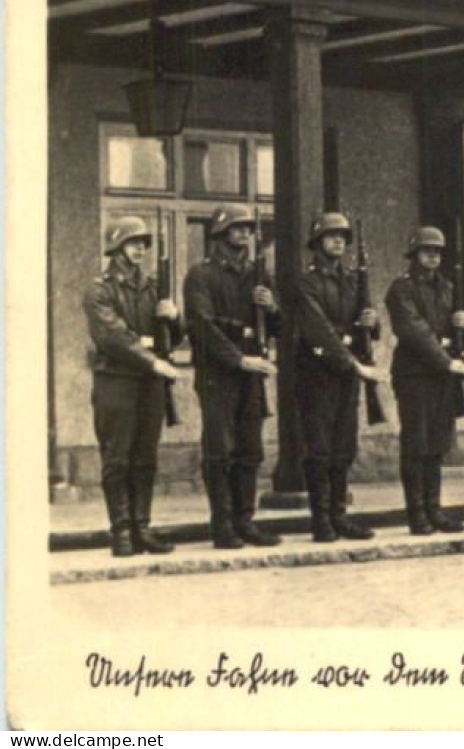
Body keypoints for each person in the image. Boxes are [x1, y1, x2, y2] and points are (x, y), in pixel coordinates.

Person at [83, 216, 185, 557]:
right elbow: (113, 336)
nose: (140, 248)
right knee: (118, 458)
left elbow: (174, 337)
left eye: (143, 243)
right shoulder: (101, 289)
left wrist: (173, 317)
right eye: (133, 242)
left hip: (148, 384)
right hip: (116, 380)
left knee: (145, 457)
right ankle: (122, 530)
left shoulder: (154, 287)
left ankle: (142, 527)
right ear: (117, 247)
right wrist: (153, 362)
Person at [184, 205, 282, 550]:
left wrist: (271, 308)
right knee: (220, 451)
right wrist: (239, 360)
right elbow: (201, 326)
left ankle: (245, 521)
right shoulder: (202, 275)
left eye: (247, 229)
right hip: (219, 373)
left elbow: (279, 329)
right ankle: (222, 525)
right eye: (236, 229)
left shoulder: (258, 276)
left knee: (250, 451)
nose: (243, 234)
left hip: (250, 372)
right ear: (221, 233)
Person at [294, 213, 384, 543]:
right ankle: (321, 521)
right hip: (318, 373)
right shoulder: (309, 282)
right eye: (331, 236)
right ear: (317, 242)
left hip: (347, 374)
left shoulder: (352, 279)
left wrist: (371, 322)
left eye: (343, 237)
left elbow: (368, 330)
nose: (338, 241)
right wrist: (354, 364)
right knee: (319, 449)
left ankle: (339, 515)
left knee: (343, 447)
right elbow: (318, 331)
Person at [386, 226, 464, 536]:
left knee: (437, 446)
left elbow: (458, 335)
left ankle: (434, 509)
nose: (433, 255)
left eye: (437, 251)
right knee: (416, 445)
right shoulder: (402, 289)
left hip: (442, 375)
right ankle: (417, 513)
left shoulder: (449, 288)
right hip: (415, 374)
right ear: (414, 254)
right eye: (427, 250)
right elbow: (414, 332)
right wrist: (447, 362)